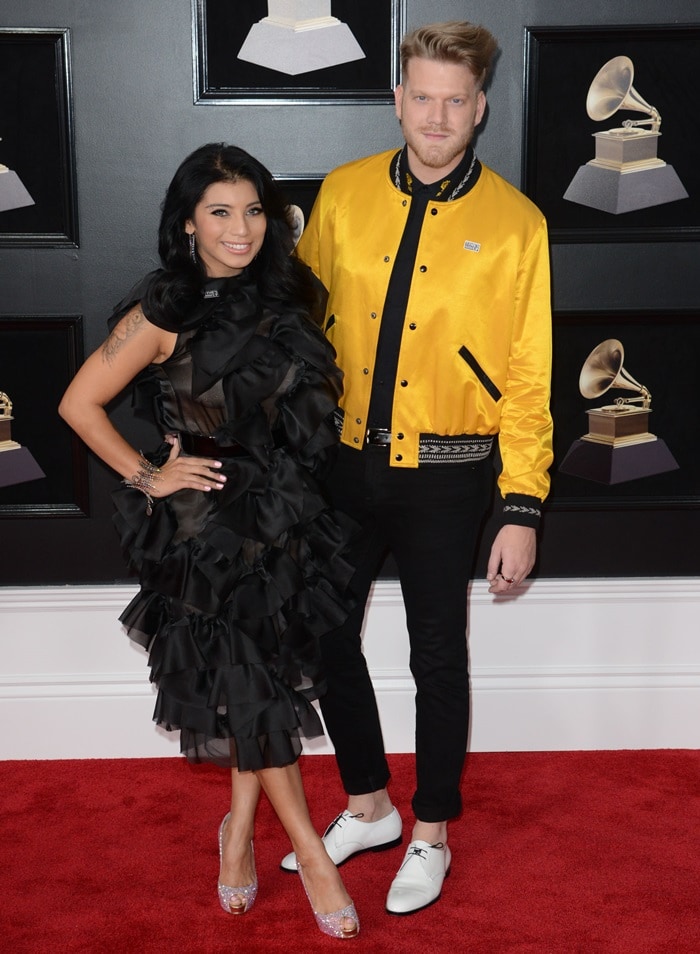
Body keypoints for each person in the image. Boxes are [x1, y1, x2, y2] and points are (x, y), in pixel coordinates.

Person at [279, 21, 554, 915]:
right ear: (398, 99)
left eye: (455, 101)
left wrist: (522, 503)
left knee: (438, 657)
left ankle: (431, 831)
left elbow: (527, 374)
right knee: (325, 638)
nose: (436, 116)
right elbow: (300, 330)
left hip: (449, 473)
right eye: (421, 97)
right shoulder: (345, 193)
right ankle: (368, 806)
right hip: (341, 465)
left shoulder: (518, 225)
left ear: (480, 110)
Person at [58, 143, 360, 939]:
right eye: (220, 211)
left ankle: (235, 839)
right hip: (204, 531)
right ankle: (311, 855)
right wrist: (149, 475)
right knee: (256, 686)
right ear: (187, 222)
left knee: (255, 684)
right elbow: (78, 404)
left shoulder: (291, 298)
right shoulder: (165, 309)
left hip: (284, 516)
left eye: (254, 209)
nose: (241, 228)